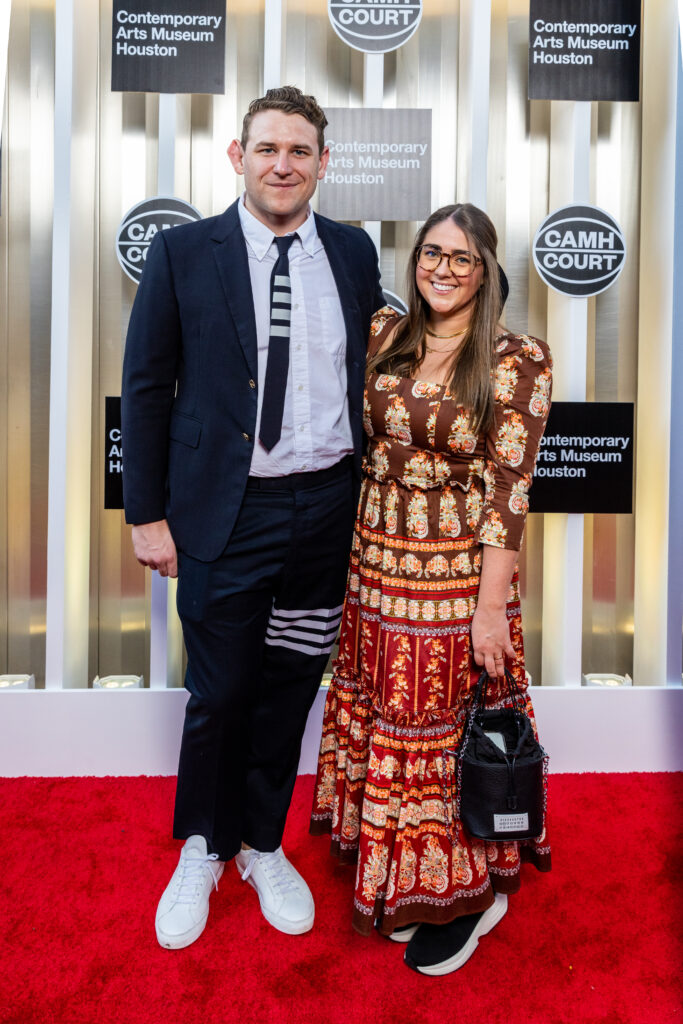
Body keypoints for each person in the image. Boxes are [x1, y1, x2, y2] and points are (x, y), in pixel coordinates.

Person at [121, 86, 384, 950]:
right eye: (267, 148)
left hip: (325, 510)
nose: (283, 164)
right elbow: (149, 390)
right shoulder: (182, 252)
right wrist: (146, 516)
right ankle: (204, 842)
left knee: (286, 688)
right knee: (220, 690)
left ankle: (263, 842)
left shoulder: (349, 252)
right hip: (225, 515)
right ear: (238, 157)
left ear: (322, 162)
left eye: (300, 150)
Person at [310, 203, 552, 976]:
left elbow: (509, 493)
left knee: (446, 730)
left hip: (456, 581)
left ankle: (469, 892)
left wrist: (490, 610)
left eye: (460, 257)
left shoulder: (518, 360)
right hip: (375, 567)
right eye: (430, 253)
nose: (441, 269)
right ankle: (399, 875)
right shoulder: (387, 335)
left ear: (486, 270)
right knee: (389, 715)